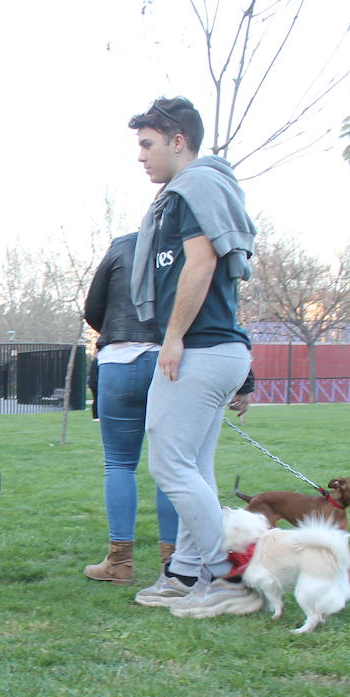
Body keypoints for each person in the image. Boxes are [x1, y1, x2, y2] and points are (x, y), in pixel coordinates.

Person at [126, 96, 259, 617]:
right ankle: (185, 572)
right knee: (193, 468)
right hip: (214, 351)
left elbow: (200, 265)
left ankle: (230, 578)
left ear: (178, 142)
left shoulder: (195, 186)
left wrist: (175, 337)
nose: (140, 156)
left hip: (201, 349)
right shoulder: (183, 195)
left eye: (148, 144)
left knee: (170, 465)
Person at [81, 231, 179, 584]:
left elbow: (93, 308)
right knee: (170, 466)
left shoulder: (122, 245)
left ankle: (120, 563)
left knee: (119, 463)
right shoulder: (187, 242)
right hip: (168, 360)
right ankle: (173, 565)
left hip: (119, 361)